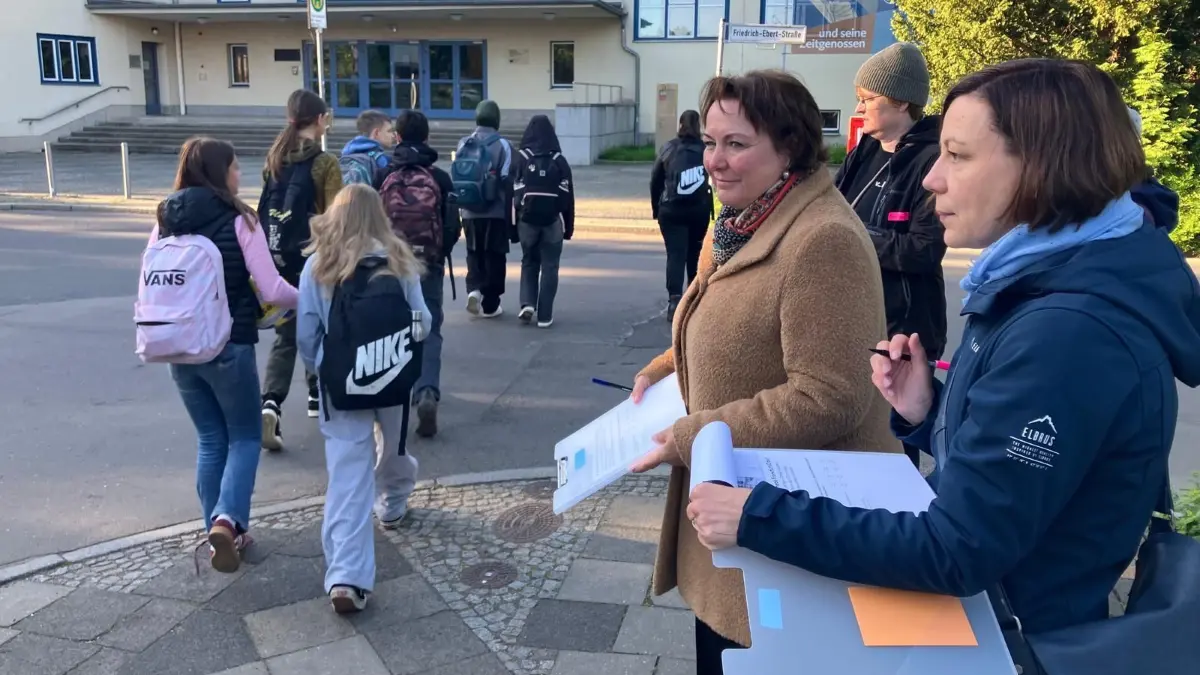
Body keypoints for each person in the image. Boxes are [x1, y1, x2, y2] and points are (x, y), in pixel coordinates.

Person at [684, 59, 1200, 666]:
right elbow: (1020, 476)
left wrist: (758, 515)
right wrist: (928, 412)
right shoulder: (1044, 282)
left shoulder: (1070, 331)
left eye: (957, 155)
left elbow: (958, 549)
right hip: (994, 617)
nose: (931, 179)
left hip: (1005, 639)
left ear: (1040, 167)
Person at [625, 69, 901, 673]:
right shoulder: (735, 222)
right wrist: (664, 368)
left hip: (788, 529)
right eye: (710, 141)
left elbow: (829, 396)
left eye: (736, 144)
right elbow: (727, 322)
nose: (716, 161)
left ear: (790, 148)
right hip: (735, 520)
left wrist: (691, 436)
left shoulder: (822, 241)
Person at [151, 137, 298, 573]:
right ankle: (227, 521)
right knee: (246, 436)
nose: (239, 175)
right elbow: (272, 289)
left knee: (211, 439)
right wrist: (311, 295)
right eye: (235, 167)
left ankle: (218, 536)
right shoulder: (241, 219)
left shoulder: (164, 219)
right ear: (220, 172)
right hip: (228, 344)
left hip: (179, 346)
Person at [296, 184, 431, 613]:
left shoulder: (318, 265)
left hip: (340, 385)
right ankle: (393, 503)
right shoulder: (397, 259)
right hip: (391, 378)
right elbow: (422, 323)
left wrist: (322, 367)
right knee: (392, 448)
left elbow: (305, 333)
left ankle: (346, 577)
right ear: (379, 216)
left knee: (347, 478)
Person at [834, 42, 947, 468]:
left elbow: (923, 249)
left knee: (893, 453)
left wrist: (855, 238)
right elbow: (831, 209)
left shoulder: (931, 161)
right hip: (849, 320)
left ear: (902, 101)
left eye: (868, 100)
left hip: (902, 328)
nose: (859, 108)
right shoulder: (863, 149)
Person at [257, 89, 343, 450]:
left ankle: (271, 402)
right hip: (313, 259)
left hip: (278, 261)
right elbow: (337, 217)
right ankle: (315, 394)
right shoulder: (325, 164)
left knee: (286, 334)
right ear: (320, 120)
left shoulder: (275, 159)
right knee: (319, 328)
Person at [378, 109, 461, 438]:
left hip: (389, 265)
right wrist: (440, 253)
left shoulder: (382, 175)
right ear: (426, 138)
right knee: (428, 328)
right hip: (427, 264)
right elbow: (454, 225)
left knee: (392, 329)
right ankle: (427, 391)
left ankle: (392, 399)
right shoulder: (439, 178)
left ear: (396, 137)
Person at [452, 99, 513, 318]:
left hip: (468, 210)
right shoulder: (503, 145)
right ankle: (490, 304)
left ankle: (473, 290)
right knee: (495, 256)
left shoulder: (463, 143)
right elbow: (507, 179)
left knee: (473, 252)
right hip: (495, 212)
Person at [650, 109, 713, 318]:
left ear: (680, 125)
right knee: (694, 254)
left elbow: (655, 180)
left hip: (671, 210)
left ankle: (674, 302)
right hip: (698, 209)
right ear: (699, 126)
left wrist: (656, 209)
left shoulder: (669, 148)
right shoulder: (706, 149)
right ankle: (694, 300)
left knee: (675, 254)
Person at [513, 114, 575, 328]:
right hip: (552, 222)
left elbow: (512, 195)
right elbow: (569, 198)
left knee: (529, 261)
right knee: (550, 266)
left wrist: (513, 228)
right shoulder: (559, 161)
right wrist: (568, 228)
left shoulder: (521, 158)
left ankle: (527, 303)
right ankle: (545, 316)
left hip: (526, 221)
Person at [339, 109, 395, 187]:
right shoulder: (381, 160)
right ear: (376, 133)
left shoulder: (346, 154)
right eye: (389, 131)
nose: (393, 135)